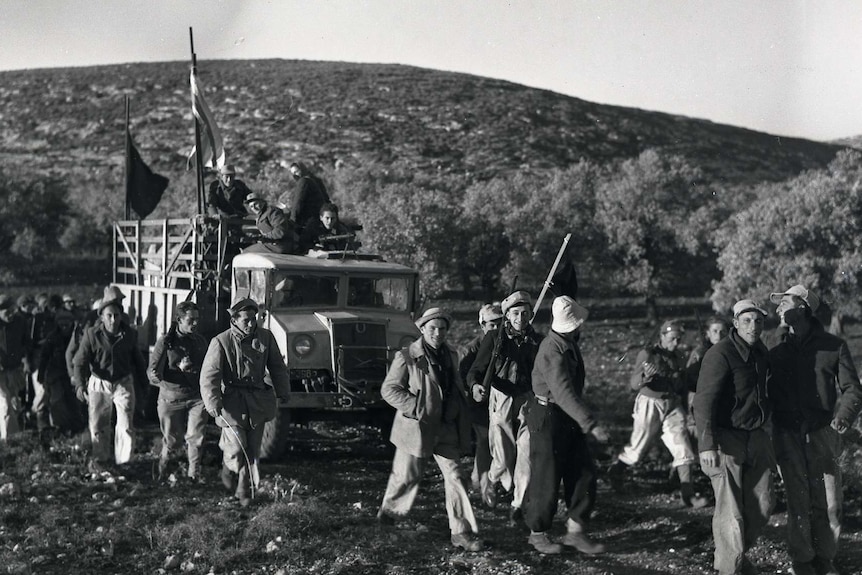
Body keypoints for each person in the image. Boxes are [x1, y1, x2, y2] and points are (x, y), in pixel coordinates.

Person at [767, 285, 862, 575]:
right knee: (798, 501)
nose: (779, 308)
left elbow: (852, 389)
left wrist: (843, 417)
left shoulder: (834, 345)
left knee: (830, 503)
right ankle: (803, 561)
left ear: (805, 309)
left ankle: (825, 559)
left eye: (786, 302)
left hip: (822, 433)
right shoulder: (773, 344)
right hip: (786, 433)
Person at [376, 308, 484, 552]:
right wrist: (417, 407)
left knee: (456, 476)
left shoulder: (452, 355)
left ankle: (461, 532)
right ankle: (388, 518)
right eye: (432, 328)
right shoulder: (406, 356)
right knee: (406, 477)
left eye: (442, 328)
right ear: (422, 329)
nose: (438, 333)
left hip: (446, 428)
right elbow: (389, 390)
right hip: (416, 429)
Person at [523, 296, 610, 555]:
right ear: (572, 326)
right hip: (548, 416)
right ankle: (537, 534)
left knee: (583, 472)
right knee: (546, 478)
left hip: (566, 416)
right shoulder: (552, 350)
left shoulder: (567, 344)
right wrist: (591, 424)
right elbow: (563, 394)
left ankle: (575, 531)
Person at [693, 299, 774, 575]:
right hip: (727, 439)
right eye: (748, 321)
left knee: (763, 505)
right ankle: (730, 567)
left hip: (757, 436)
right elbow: (703, 401)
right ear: (736, 323)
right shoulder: (720, 354)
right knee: (731, 511)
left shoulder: (761, 352)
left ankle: (735, 555)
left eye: (759, 321)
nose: (754, 326)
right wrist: (706, 444)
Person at [607, 319, 707, 508]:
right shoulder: (648, 354)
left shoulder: (679, 356)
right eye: (672, 339)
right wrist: (645, 377)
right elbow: (633, 384)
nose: (676, 343)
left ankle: (688, 494)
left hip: (671, 404)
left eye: (678, 339)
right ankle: (616, 471)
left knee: (683, 447)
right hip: (650, 403)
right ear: (662, 336)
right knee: (638, 448)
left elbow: (683, 382)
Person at [200, 298, 290, 506]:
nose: (251, 324)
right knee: (235, 447)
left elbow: (277, 366)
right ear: (234, 320)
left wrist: (283, 390)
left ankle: (244, 491)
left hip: (257, 401)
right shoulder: (221, 341)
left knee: (252, 450)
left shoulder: (266, 338)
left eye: (254, 319)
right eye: (246, 320)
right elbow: (209, 375)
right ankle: (227, 467)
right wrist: (213, 402)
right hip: (232, 403)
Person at [467, 290, 542, 524]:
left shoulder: (537, 340)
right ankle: (492, 478)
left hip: (528, 399)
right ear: (507, 316)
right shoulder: (494, 338)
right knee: (502, 455)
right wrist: (475, 386)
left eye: (525, 313)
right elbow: (475, 371)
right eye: (515, 313)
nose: (520, 318)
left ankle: (518, 504)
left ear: (531, 314)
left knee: (527, 450)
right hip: (501, 398)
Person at [72, 294, 147, 471]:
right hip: (99, 382)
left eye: (116, 315)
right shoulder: (92, 335)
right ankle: (101, 460)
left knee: (126, 424)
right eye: (109, 316)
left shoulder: (129, 334)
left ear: (121, 316)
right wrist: (80, 385)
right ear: (102, 317)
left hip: (123, 382)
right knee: (98, 423)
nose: (113, 320)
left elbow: (138, 361)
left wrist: (144, 386)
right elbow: (79, 361)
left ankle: (124, 462)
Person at [147, 301, 210, 482]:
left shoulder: (200, 341)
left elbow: (208, 367)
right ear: (179, 320)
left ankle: (194, 476)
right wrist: (157, 375)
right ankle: (163, 473)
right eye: (191, 320)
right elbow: (151, 371)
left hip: (196, 396)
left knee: (196, 438)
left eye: (197, 319)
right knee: (172, 441)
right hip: (171, 397)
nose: (195, 323)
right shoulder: (165, 342)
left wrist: (193, 369)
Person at [458, 303, 503, 512]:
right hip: (477, 406)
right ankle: (483, 488)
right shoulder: (471, 349)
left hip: (500, 403)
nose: (496, 329)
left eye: (500, 324)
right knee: (485, 443)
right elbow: (463, 379)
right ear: (482, 325)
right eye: (491, 325)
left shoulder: (504, 344)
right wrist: (474, 389)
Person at [685, 316, 731, 436]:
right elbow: (689, 380)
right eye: (715, 331)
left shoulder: (730, 352)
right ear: (707, 334)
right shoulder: (699, 353)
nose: (719, 335)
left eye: (722, 331)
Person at [0, 295, 32, 440]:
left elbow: (26, 343)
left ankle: (14, 437)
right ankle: (9, 442)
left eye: (13, 310)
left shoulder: (20, 322)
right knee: (5, 403)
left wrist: (26, 360)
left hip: (15, 370)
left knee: (15, 405)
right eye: (7, 312)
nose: (11, 314)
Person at [277, 161, 330, 232]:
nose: (295, 175)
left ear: (302, 169)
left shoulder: (304, 181)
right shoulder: (314, 179)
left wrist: (292, 221)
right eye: (293, 173)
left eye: (296, 172)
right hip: (321, 215)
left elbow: (298, 202)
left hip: (311, 219)